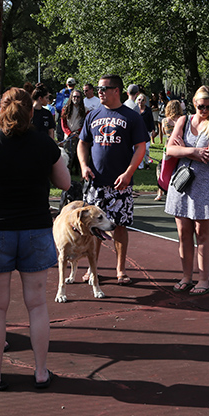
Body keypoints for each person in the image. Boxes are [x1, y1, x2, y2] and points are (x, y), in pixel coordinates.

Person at [0, 87, 71, 391]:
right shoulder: (45, 144)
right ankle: (42, 372)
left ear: (0, 111)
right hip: (35, 229)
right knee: (37, 305)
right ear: (32, 112)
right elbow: (65, 182)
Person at [78, 75, 149, 285]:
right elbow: (83, 142)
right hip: (96, 183)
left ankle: (120, 270)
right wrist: (83, 165)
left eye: (103, 88)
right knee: (93, 228)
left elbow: (141, 147)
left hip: (121, 184)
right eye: (98, 88)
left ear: (116, 90)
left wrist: (128, 172)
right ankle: (92, 269)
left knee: (120, 226)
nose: (99, 92)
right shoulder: (93, 115)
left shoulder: (131, 116)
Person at [164, 85, 209, 296]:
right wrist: (194, 151)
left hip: (205, 185)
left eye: (208, 106)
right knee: (183, 234)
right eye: (200, 106)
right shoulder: (183, 121)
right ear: (194, 103)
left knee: (202, 234)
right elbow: (169, 149)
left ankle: (204, 279)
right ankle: (186, 276)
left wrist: (183, 151)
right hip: (182, 183)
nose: (204, 110)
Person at [155, 100, 184, 201]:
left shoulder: (165, 121)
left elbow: (163, 131)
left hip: (168, 147)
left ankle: (160, 192)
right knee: (179, 169)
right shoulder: (182, 120)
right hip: (180, 146)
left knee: (164, 169)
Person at [60, 89, 86, 174]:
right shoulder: (65, 109)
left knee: (80, 156)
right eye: (74, 96)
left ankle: (80, 173)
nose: (76, 98)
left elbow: (85, 124)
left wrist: (78, 132)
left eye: (78, 97)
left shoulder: (85, 110)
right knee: (67, 156)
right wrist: (69, 133)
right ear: (71, 97)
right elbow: (63, 124)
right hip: (68, 137)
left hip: (80, 136)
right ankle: (66, 173)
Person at [136, 93, 155, 169]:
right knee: (138, 149)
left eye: (142, 100)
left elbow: (151, 120)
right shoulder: (135, 110)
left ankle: (147, 163)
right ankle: (140, 165)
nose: (141, 101)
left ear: (145, 101)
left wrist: (153, 130)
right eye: (139, 99)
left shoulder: (148, 110)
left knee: (146, 149)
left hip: (146, 131)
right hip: (137, 131)